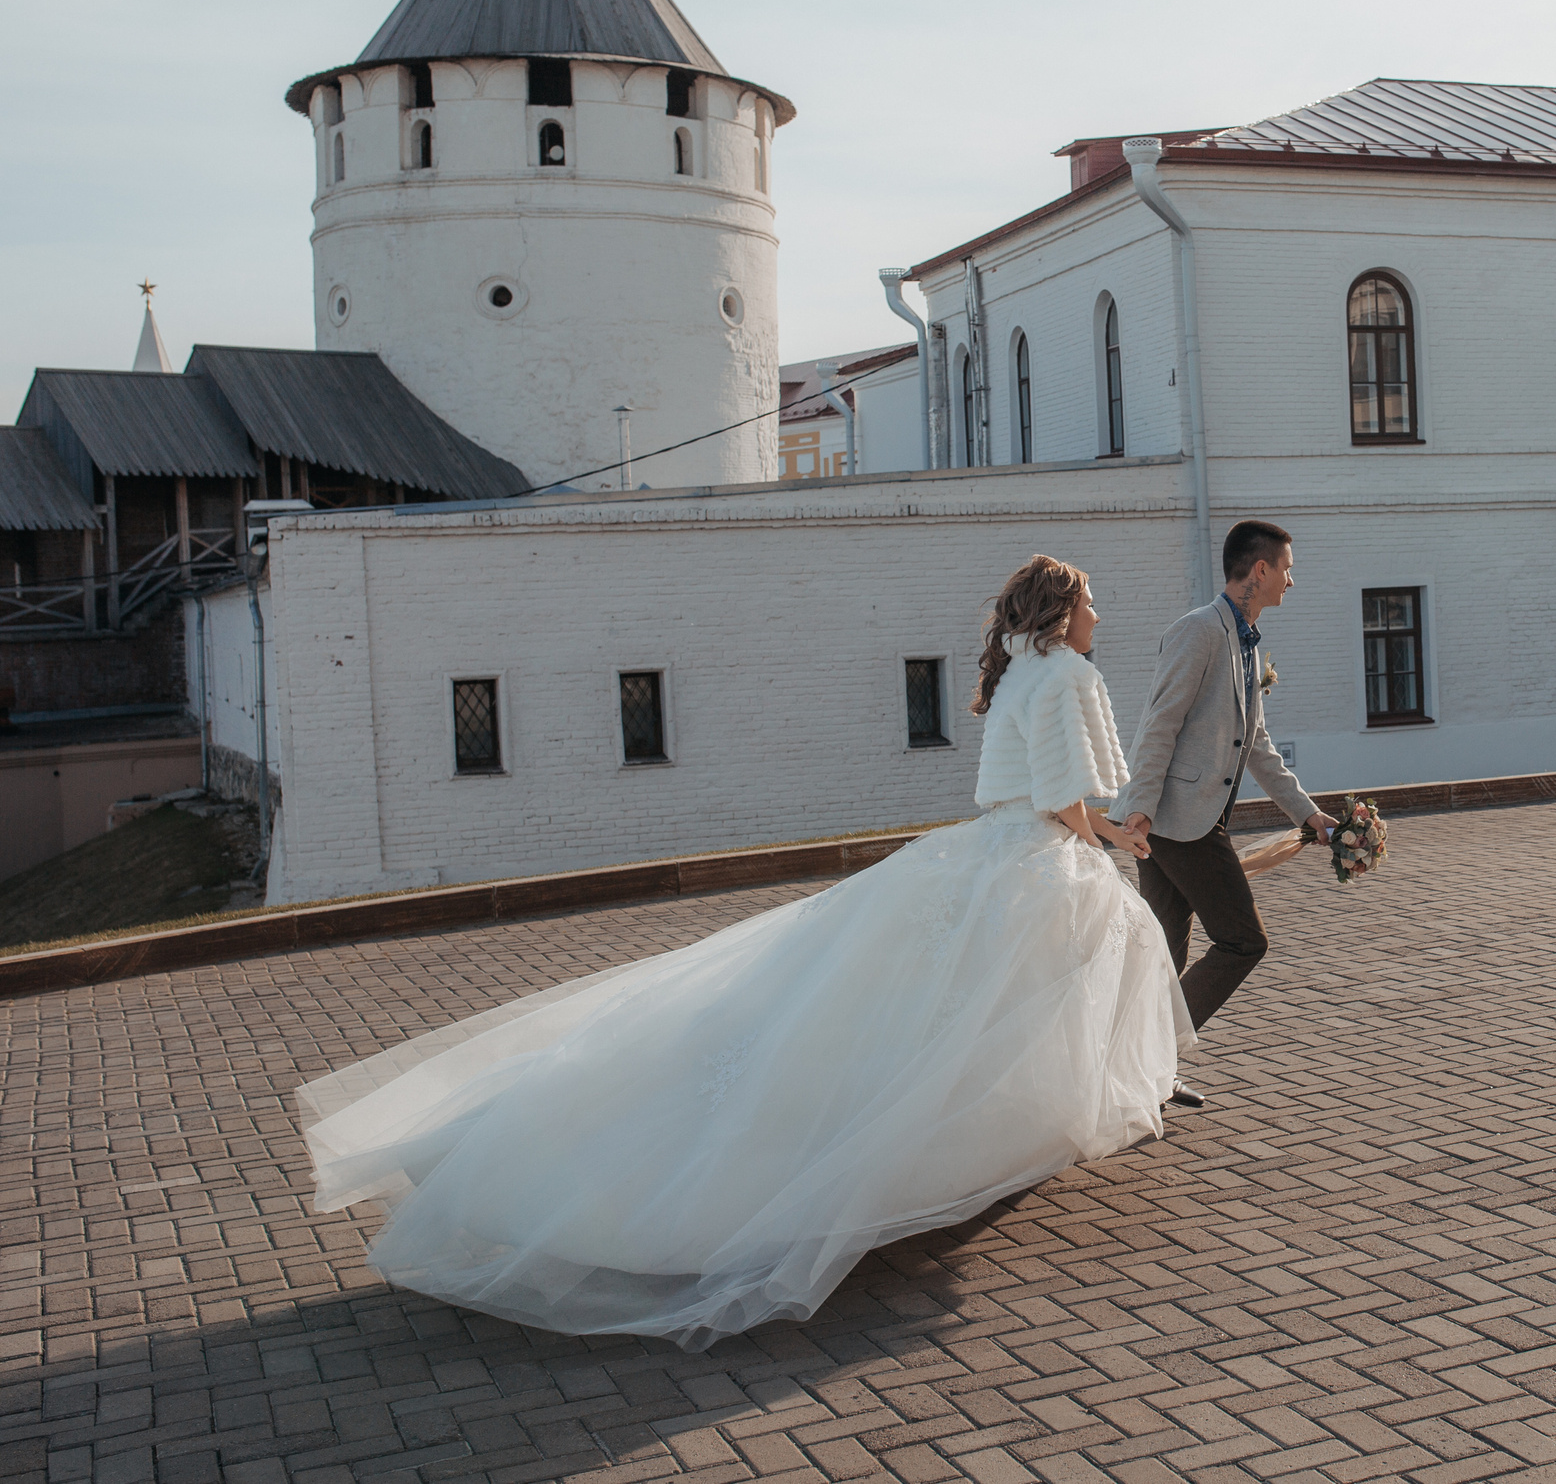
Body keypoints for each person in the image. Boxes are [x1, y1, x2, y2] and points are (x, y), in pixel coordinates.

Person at [296, 556, 1186, 1352]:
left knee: (905, 1010)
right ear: (1061, 613)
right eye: (1091, 602)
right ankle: (974, 1146)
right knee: (1029, 992)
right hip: (1033, 859)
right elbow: (1062, 797)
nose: (1098, 615)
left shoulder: (1021, 669)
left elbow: (1033, 789)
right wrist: (1113, 836)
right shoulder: (1066, 672)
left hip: (985, 846)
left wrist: (1098, 830)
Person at [1113, 520, 1336, 1107]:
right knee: (1242, 940)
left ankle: (1141, 1075)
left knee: (1165, 949)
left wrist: (1309, 815)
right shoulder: (1198, 631)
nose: (1291, 580)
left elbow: (1257, 744)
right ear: (1260, 570)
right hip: (1176, 820)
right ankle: (1152, 1055)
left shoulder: (1248, 642)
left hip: (1188, 818)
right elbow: (1159, 723)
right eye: (1286, 568)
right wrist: (1139, 809)